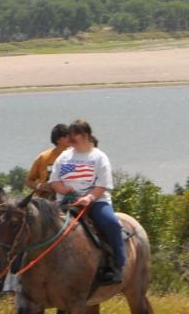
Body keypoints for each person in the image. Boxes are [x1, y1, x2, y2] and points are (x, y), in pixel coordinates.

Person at [46, 119, 125, 285]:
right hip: (66, 203)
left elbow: (102, 185)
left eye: (76, 135)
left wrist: (89, 198)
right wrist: (64, 190)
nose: (72, 138)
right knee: (38, 225)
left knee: (112, 224)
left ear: (87, 136)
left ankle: (117, 266)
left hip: (96, 202)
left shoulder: (99, 157)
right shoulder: (64, 156)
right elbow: (54, 181)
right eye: (70, 135)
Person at [25, 123, 70, 190]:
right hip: (44, 197)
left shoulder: (76, 156)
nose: (71, 139)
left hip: (68, 195)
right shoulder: (43, 157)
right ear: (58, 139)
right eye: (67, 136)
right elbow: (28, 181)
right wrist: (40, 186)